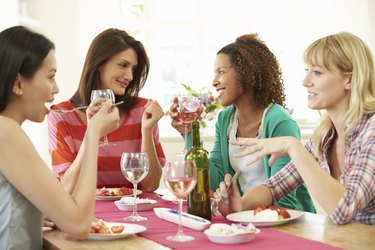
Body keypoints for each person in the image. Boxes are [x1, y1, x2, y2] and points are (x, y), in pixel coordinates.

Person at [217, 32, 375, 225]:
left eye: (317, 72)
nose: (305, 81)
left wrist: (293, 147)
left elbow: (344, 209)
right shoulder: (325, 136)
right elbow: (276, 186)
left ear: (348, 80)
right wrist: (240, 205)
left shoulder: (371, 131)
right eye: (307, 70)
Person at [0, 26, 120, 248]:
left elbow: (56, 196)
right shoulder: (6, 132)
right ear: (18, 83)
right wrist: (93, 134)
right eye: (50, 77)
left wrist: (36, 213)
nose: (56, 89)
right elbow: (79, 225)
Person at [170, 34, 315, 212]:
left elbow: (285, 202)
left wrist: (240, 210)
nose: (214, 81)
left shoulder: (279, 121)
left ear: (247, 74)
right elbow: (215, 180)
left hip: (285, 221)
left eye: (221, 72)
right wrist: (189, 133)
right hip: (246, 216)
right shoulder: (226, 120)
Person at [48, 28, 165, 193]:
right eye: (123, 65)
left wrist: (146, 130)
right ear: (99, 64)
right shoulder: (61, 116)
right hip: (87, 214)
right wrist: (93, 132)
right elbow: (68, 187)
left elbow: (150, 185)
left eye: (133, 69)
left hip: (135, 212)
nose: (130, 76)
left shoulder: (143, 111)